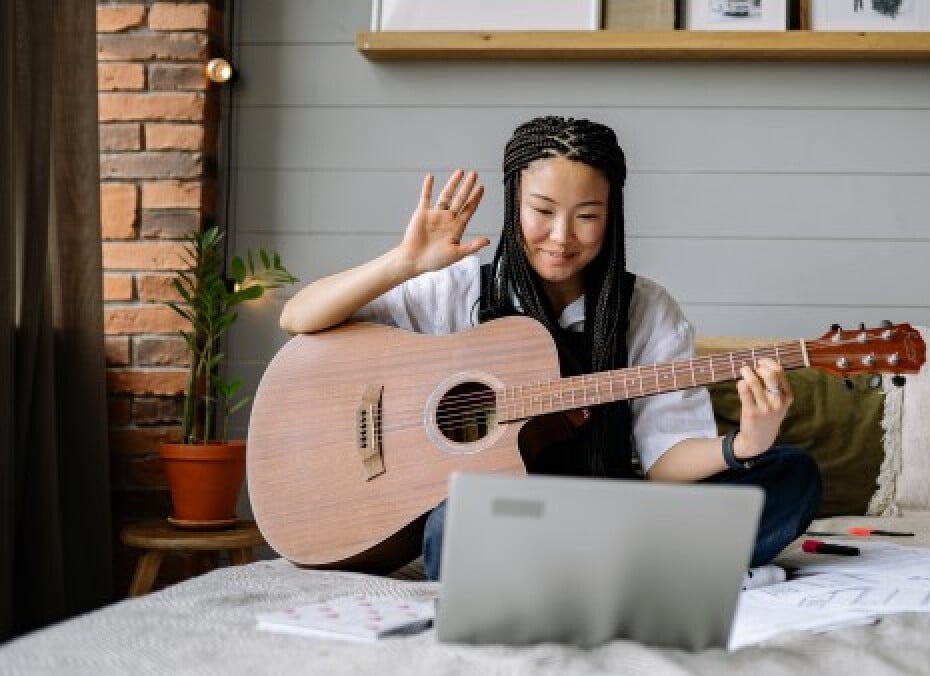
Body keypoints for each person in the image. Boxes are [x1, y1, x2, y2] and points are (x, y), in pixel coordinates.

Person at [279, 116, 822, 580]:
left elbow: (665, 460)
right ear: (514, 202)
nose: (562, 236)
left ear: (612, 217)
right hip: (502, 514)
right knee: (455, 522)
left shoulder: (646, 310)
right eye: (542, 211)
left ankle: (571, 568)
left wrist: (744, 444)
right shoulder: (460, 289)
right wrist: (404, 263)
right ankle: (637, 567)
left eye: (587, 216)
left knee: (791, 475)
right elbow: (298, 317)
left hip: (602, 507)